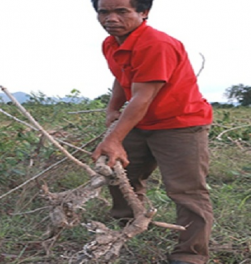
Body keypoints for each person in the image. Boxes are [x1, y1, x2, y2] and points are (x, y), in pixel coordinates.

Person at [89, 0, 214, 264]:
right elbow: (123, 77)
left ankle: (189, 256)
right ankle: (128, 228)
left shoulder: (156, 44)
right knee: (120, 176)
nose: (111, 18)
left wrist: (113, 138)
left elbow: (142, 97)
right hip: (140, 123)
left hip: (180, 125)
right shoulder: (111, 43)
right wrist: (112, 108)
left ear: (143, 12)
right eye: (104, 11)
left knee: (187, 192)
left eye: (121, 11)